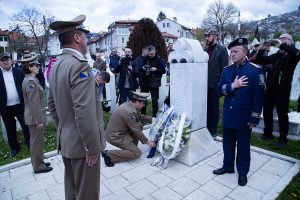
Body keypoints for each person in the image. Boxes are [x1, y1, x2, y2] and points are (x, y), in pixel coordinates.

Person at [48, 15, 104, 199]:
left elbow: (52, 105)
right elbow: (84, 113)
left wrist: (65, 130)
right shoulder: (80, 67)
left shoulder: (56, 65)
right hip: (83, 146)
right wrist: (92, 147)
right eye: (85, 36)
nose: (87, 41)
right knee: (87, 194)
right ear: (77, 38)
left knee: (72, 191)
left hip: (67, 141)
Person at [213, 38, 265, 186]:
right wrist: (232, 86)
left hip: (244, 118)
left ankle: (242, 173)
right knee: (227, 144)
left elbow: (258, 98)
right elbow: (218, 91)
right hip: (229, 116)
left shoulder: (256, 71)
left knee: (243, 146)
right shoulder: (227, 71)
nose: (232, 54)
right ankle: (228, 166)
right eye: (231, 52)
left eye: (236, 51)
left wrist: (254, 119)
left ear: (245, 51)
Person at [256, 33, 300, 149]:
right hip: (270, 88)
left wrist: (283, 45)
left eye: (284, 38)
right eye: (280, 38)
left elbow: (297, 53)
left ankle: (282, 138)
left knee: (282, 114)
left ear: (290, 41)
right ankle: (267, 133)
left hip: (282, 90)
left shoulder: (292, 56)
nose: (281, 40)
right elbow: (261, 60)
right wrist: (262, 50)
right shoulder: (275, 55)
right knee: (266, 112)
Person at [102, 91, 156, 167]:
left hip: (118, 132)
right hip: (115, 136)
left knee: (139, 125)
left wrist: (155, 120)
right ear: (137, 102)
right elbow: (136, 130)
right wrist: (148, 142)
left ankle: (131, 146)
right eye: (143, 104)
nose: (143, 106)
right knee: (136, 153)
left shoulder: (129, 105)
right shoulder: (129, 112)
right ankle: (108, 154)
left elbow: (140, 116)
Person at [21, 55, 53, 174]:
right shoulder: (30, 81)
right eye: (36, 65)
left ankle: (40, 161)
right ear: (30, 67)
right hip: (35, 119)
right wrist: (39, 120)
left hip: (34, 118)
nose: (39, 67)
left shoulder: (32, 79)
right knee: (36, 143)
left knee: (37, 142)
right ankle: (38, 166)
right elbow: (34, 104)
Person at [0, 52, 30, 157]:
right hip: (5, 107)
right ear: (0, 62)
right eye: (3, 60)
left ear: (11, 60)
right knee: (10, 129)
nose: (5, 62)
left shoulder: (19, 71)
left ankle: (30, 144)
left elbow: (25, 86)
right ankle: (15, 148)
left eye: (7, 59)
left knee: (26, 126)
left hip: (20, 105)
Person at [204, 29, 229, 138]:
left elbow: (224, 68)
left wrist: (221, 85)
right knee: (207, 108)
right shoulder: (205, 50)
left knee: (214, 109)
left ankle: (213, 131)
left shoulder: (222, 49)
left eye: (209, 36)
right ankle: (206, 128)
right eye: (206, 36)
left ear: (215, 36)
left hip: (215, 85)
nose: (207, 38)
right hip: (204, 85)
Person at [139, 45, 166, 117]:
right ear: (147, 52)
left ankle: (154, 116)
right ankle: (143, 115)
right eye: (149, 54)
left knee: (154, 101)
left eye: (152, 54)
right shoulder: (145, 58)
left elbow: (164, 71)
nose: (150, 55)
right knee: (143, 100)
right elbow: (139, 69)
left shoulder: (159, 59)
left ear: (155, 51)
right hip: (145, 82)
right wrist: (143, 68)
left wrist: (156, 69)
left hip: (154, 83)